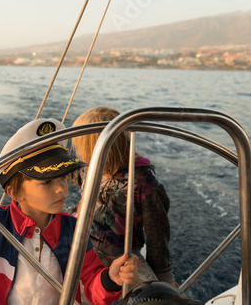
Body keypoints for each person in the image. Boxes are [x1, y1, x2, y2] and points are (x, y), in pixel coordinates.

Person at [0, 118, 138, 305]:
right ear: (15, 192)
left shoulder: (73, 229)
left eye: (63, 176)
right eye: (47, 181)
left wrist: (110, 278)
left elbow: (91, 281)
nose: (62, 187)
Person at [69, 106, 175, 285]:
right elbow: (73, 174)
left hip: (120, 255)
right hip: (79, 240)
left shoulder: (144, 182)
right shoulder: (90, 168)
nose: (80, 154)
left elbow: (157, 233)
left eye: (82, 148)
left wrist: (162, 273)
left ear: (95, 148)